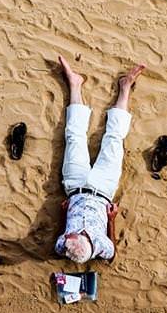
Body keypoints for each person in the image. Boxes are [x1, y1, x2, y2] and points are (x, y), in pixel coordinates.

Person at [54, 55, 145, 263]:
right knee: (113, 139)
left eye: (67, 236)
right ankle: (125, 88)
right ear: (86, 241)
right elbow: (112, 254)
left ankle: (75, 84)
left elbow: (62, 235)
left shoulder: (62, 245)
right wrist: (111, 220)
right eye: (72, 235)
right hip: (104, 189)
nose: (67, 234)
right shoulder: (100, 246)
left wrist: (64, 214)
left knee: (74, 136)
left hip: (74, 185)